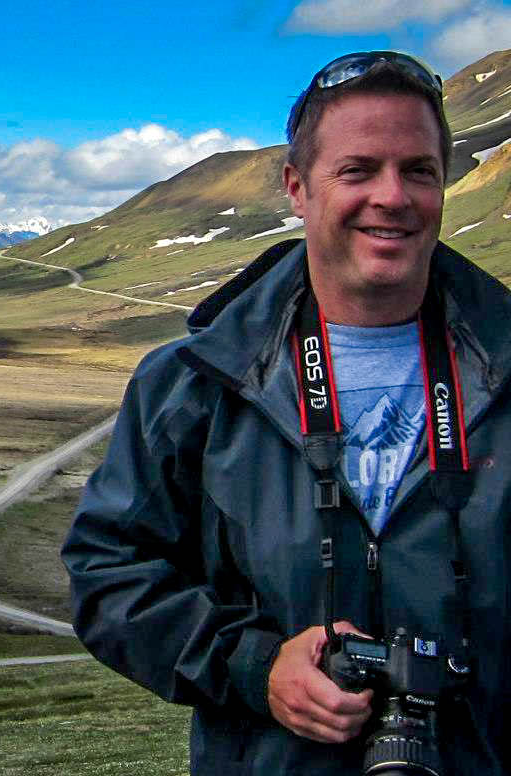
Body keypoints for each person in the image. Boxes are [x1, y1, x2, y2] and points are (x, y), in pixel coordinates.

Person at [62, 51, 511, 775]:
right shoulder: (193, 386)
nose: (392, 197)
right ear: (298, 190)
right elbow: (108, 573)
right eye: (358, 170)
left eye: (419, 170)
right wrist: (254, 668)